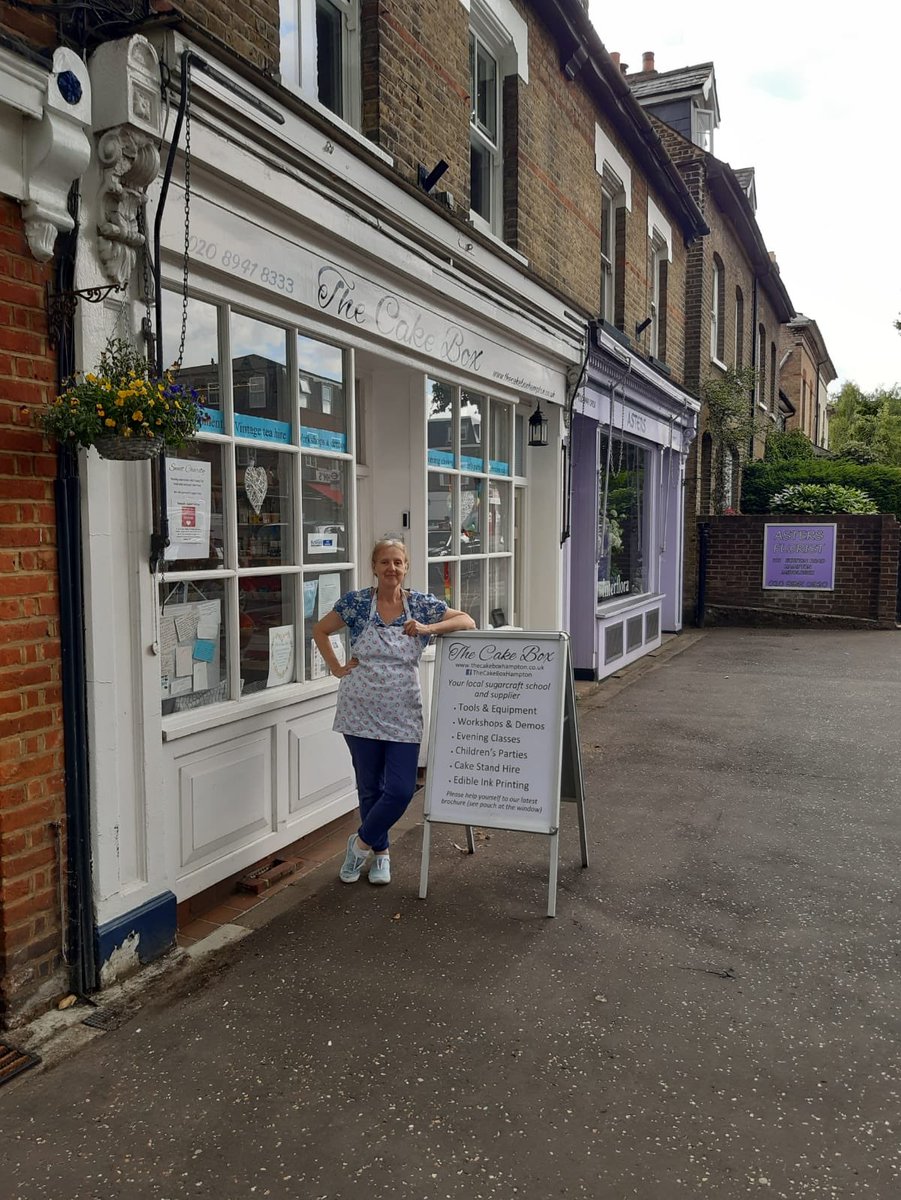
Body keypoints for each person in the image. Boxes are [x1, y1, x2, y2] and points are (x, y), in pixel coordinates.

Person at [312, 536, 475, 886]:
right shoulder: (356, 604)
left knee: (400, 789)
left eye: (398, 562)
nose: (391, 568)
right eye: (385, 562)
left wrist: (429, 628)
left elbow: (467, 621)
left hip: (402, 710)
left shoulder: (419, 605)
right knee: (369, 787)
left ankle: (359, 845)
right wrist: (337, 667)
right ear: (374, 566)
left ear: (406, 566)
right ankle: (382, 855)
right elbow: (320, 630)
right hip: (359, 708)